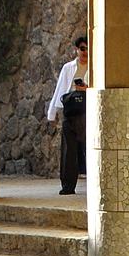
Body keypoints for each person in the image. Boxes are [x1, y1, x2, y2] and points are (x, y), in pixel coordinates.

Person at [47, 33, 89, 195]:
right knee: (68, 150)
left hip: (87, 110)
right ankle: (68, 185)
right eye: (82, 48)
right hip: (70, 110)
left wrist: (86, 89)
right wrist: (52, 114)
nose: (85, 52)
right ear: (77, 50)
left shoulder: (96, 67)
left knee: (88, 147)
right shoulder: (68, 68)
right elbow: (60, 89)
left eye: (88, 49)